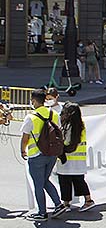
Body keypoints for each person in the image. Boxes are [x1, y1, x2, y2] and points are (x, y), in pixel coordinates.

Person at [20, 88, 66, 221]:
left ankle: (42, 213)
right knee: (45, 180)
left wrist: (23, 150)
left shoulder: (31, 117)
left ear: (34, 101)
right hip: (52, 153)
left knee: (38, 184)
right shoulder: (53, 114)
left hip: (36, 155)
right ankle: (58, 205)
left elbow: (25, 138)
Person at [55, 103, 95, 212]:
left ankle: (66, 204)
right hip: (78, 161)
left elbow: (67, 141)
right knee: (79, 181)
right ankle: (88, 200)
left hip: (67, 159)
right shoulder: (81, 125)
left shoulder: (69, 126)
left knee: (65, 181)